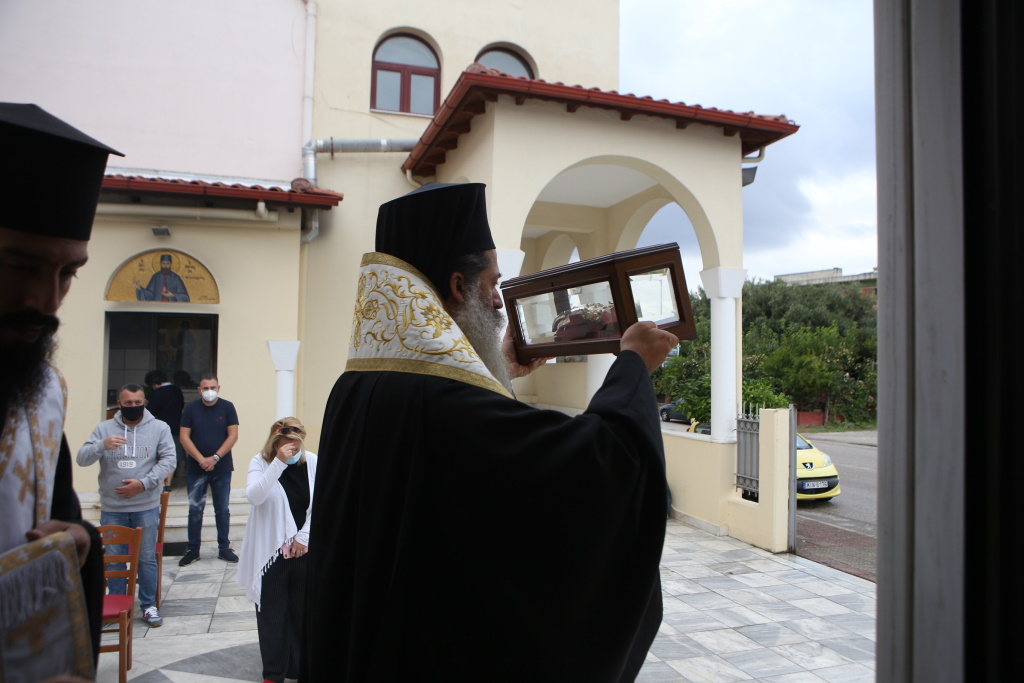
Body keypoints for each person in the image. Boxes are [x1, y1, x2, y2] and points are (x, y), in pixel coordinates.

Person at [301, 183, 679, 681]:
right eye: (493, 284)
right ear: (458, 287)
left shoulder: (357, 385)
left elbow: (453, 458)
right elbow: (598, 464)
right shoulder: (442, 405)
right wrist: (633, 365)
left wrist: (499, 366)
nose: (500, 302)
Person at [0, 102, 122, 669]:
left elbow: (62, 519)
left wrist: (79, 544)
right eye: (19, 267)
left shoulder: (38, 393)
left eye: (67, 273)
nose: (46, 302)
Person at [76, 383, 176, 627]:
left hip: (145, 505)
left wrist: (143, 484)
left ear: (145, 402)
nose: (133, 407)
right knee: (114, 558)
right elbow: (81, 458)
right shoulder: (104, 429)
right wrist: (101, 445)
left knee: (146, 558)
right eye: (128, 403)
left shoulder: (159, 428)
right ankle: (118, 605)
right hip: (113, 509)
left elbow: (169, 460)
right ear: (119, 404)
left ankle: (149, 606)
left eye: (138, 402)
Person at [237, 417, 318, 683]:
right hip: (270, 554)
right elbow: (255, 496)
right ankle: (273, 673)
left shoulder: (312, 462)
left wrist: (303, 538)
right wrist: (278, 464)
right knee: (272, 614)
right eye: (285, 443)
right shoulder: (260, 463)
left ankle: (299, 667)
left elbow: (319, 503)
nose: (291, 448)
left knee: (302, 613)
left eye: (295, 443)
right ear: (274, 442)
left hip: (303, 550)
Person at [178, 373, 239, 565]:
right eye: (205, 388)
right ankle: (193, 549)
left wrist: (215, 458)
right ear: (199, 390)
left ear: (218, 388)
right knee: (195, 510)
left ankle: (224, 547)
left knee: (222, 509)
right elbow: (184, 437)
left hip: (221, 467)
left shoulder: (227, 407)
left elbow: (233, 435)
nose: (209, 391)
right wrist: (200, 459)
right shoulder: (190, 409)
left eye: (213, 388)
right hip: (196, 469)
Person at [145, 369, 186, 483]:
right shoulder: (177, 390)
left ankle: (165, 484)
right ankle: (175, 477)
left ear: (154, 384)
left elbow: (150, 411)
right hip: (177, 425)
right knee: (176, 453)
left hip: (162, 427)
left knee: (163, 455)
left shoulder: (158, 393)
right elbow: (181, 405)